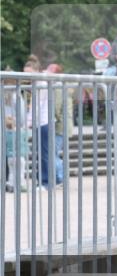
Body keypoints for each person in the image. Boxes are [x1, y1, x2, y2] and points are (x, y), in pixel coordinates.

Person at [23, 56, 72, 189]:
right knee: (43, 153)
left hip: (44, 122)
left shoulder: (42, 84)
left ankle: (46, 182)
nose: (26, 76)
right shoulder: (39, 83)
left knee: (46, 153)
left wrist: (28, 121)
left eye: (28, 73)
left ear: (36, 71)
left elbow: (37, 106)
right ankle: (46, 180)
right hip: (41, 122)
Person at [3, 77, 29, 192]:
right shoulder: (17, 97)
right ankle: (18, 184)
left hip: (6, 131)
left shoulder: (5, 97)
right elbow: (22, 119)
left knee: (10, 161)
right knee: (19, 161)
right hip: (14, 131)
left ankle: (9, 183)